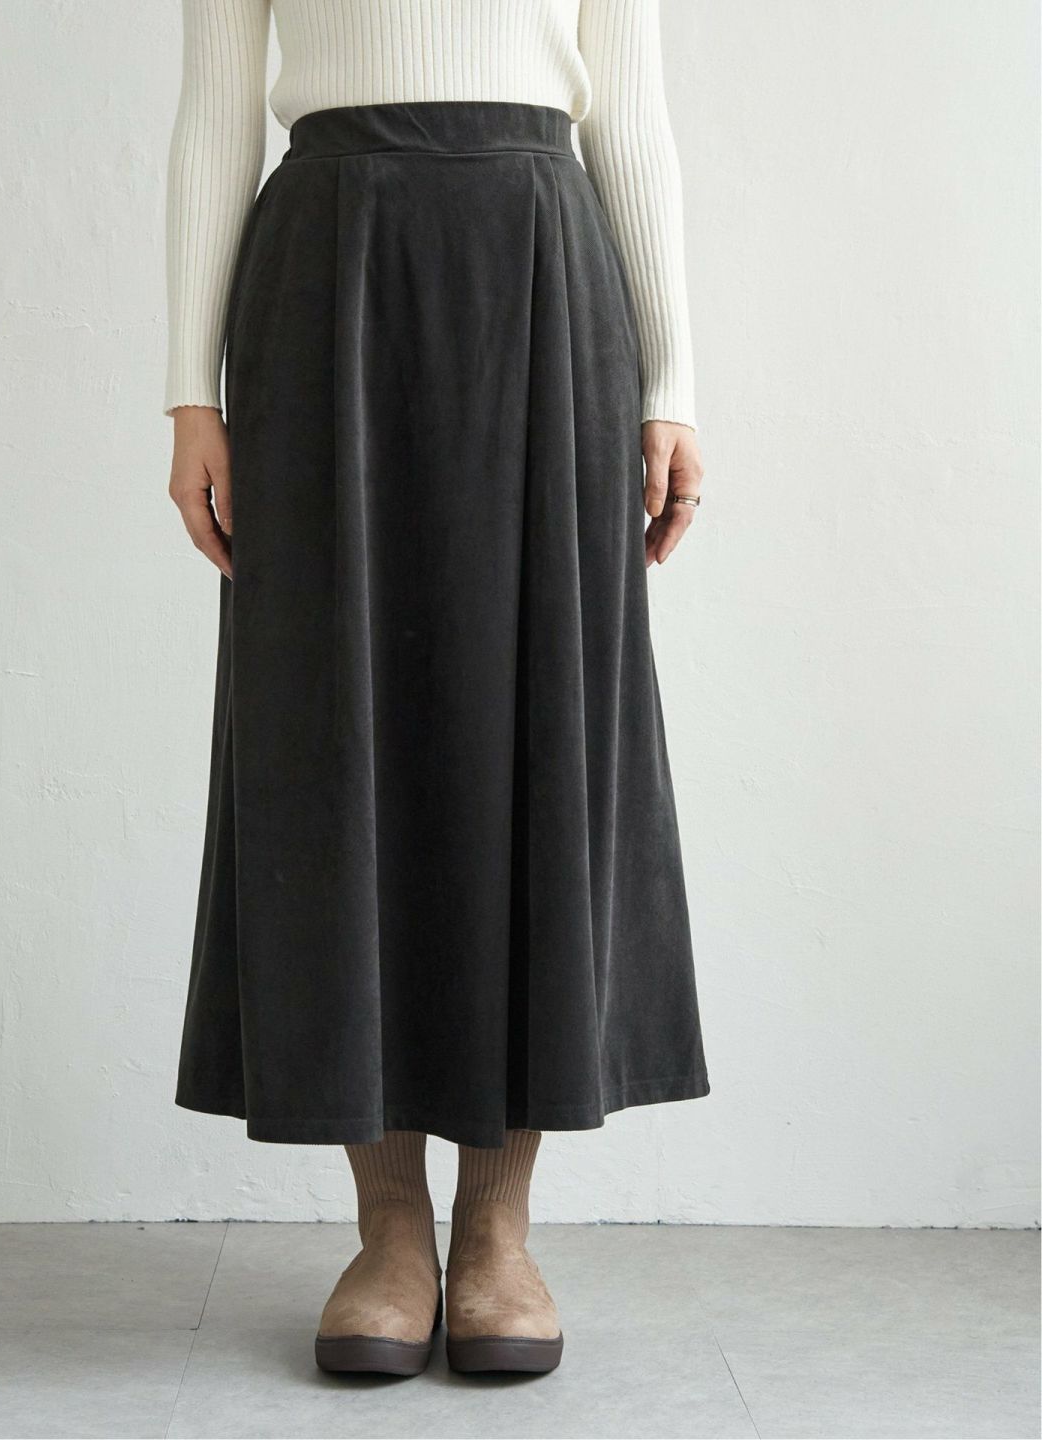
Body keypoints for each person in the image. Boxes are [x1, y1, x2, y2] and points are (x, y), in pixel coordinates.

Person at [164, 0, 709, 1376]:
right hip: (324, 273)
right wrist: (188, 393)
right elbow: (214, 114)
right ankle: (390, 1230)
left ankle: (499, 1230)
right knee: (335, 735)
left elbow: (631, 114)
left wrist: (672, 384)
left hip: (540, 266)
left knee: (535, 729)